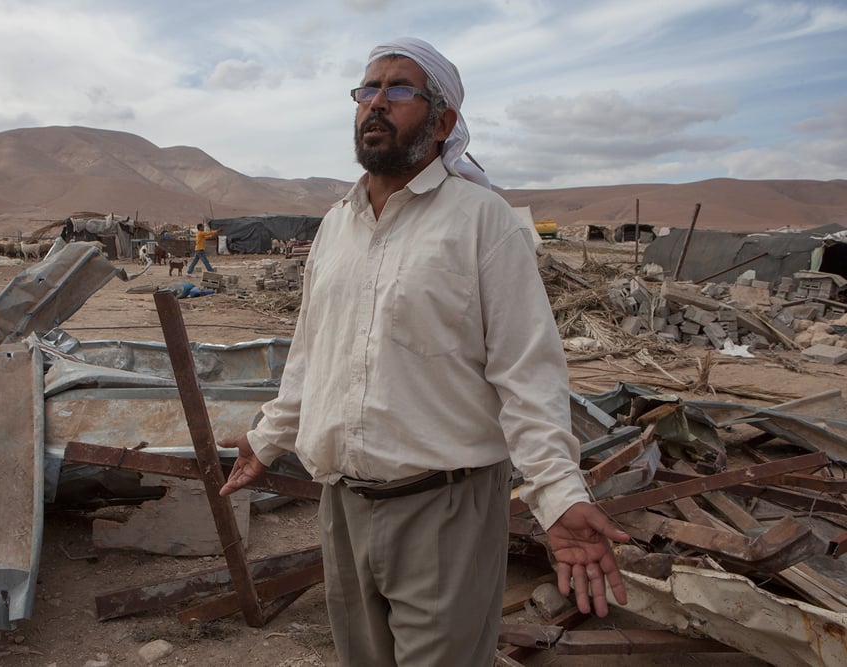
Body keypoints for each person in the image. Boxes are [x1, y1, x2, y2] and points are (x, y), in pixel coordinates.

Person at [218, 37, 628, 667]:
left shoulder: (481, 221)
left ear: (442, 123)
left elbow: (529, 376)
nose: (376, 103)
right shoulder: (335, 225)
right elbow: (311, 355)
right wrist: (268, 437)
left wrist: (560, 496)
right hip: (343, 506)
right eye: (367, 90)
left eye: (399, 90)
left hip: (445, 508)